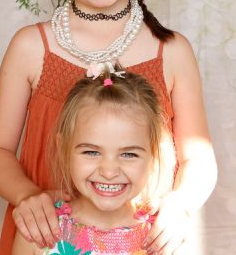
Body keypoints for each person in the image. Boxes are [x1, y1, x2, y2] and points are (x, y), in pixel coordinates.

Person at [0, 0, 217, 255]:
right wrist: (26, 195)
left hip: (145, 242)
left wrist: (181, 204)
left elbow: (198, 157)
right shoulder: (31, 47)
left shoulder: (172, 52)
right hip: (49, 238)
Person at [10, 69, 166, 255]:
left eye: (128, 154)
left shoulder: (164, 237)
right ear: (64, 148)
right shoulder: (41, 230)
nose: (109, 172)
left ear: (153, 155)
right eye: (91, 152)